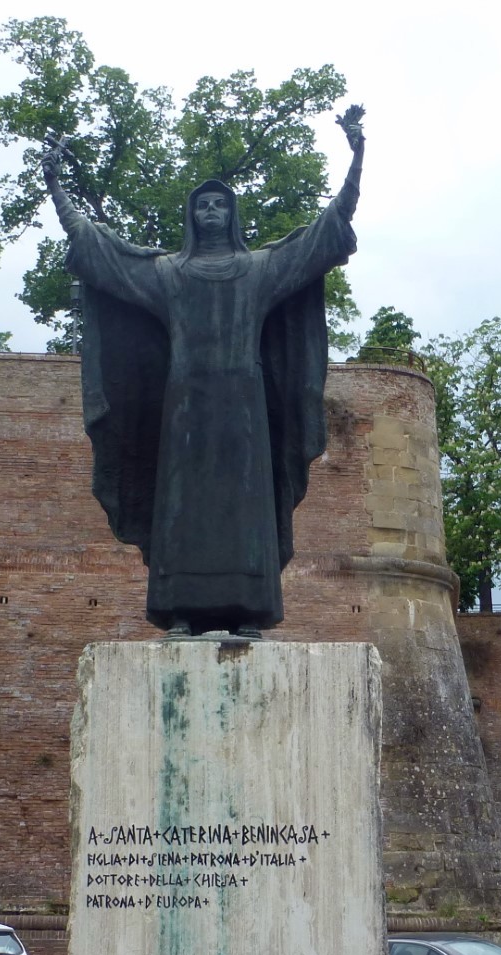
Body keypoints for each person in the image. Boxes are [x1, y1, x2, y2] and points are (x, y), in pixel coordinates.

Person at [42, 107, 365, 637]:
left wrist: (356, 158)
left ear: (231, 215)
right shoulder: (168, 274)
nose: (211, 211)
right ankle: (181, 611)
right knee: (182, 507)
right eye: (202, 205)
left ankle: (249, 612)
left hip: (244, 409)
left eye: (220, 205)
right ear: (191, 216)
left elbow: (323, 234)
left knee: (246, 508)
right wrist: (55, 183)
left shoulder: (260, 270)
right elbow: (100, 251)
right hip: (184, 408)